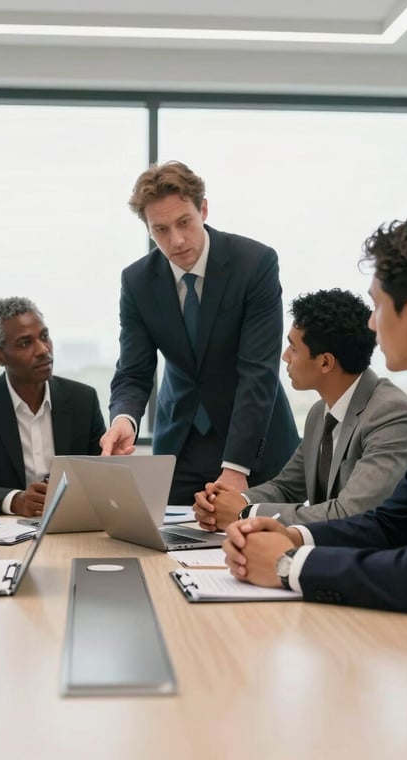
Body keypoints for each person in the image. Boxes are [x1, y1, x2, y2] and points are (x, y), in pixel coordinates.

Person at [223, 213, 407, 646]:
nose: (370, 324)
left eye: (378, 305)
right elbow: (391, 522)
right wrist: (292, 534)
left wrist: (290, 565)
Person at [100, 161, 299, 504]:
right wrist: (125, 419)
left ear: (203, 209)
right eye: (160, 230)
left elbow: (258, 371)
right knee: (170, 548)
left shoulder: (254, 264)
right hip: (180, 444)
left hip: (254, 443)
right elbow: (134, 370)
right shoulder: (137, 282)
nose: (176, 241)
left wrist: (237, 466)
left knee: (255, 551)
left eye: (184, 222)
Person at [194, 289, 407, 529]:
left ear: (325, 362)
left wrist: (246, 513)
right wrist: (226, 502)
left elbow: (351, 512)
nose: (284, 357)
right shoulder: (319, 413)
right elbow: (287, 488)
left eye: (293, 348)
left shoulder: (391, 414)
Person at [0, 297, 106, 517]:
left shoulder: (82, 399)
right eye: (25, 343)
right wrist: (14, 500)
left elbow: (102, 474)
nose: (42, 350)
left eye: (44, 337)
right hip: (7, 529)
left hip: (73, 523)